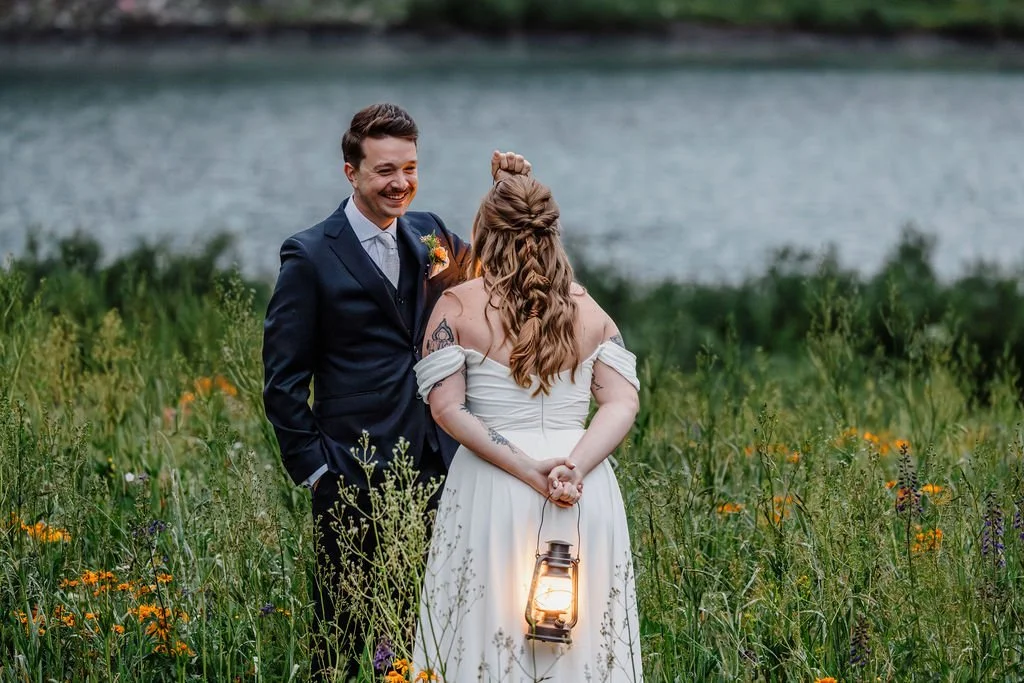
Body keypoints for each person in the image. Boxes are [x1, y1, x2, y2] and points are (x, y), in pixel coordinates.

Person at [261, 102, 534, 681]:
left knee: (429, 626)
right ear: (350, 171)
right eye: (385, 170)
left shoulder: (430, 232)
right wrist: (316, 471)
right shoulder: (308, 255)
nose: (400, 183)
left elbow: (501, 280)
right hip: (351, 473)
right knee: (340, 636)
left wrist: (512, 194)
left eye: (410, 167)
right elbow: (283, 382)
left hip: (438, 464)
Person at [411, 174, 644, 681]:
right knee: (586, 649)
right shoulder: (590, 311)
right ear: (552, 233)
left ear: (486, 233)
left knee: (484, 635)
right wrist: (573, 467)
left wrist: (529, 470)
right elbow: (622, 402)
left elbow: (447, 409)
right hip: (583, 487)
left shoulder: (457, 307)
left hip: (494, 487)